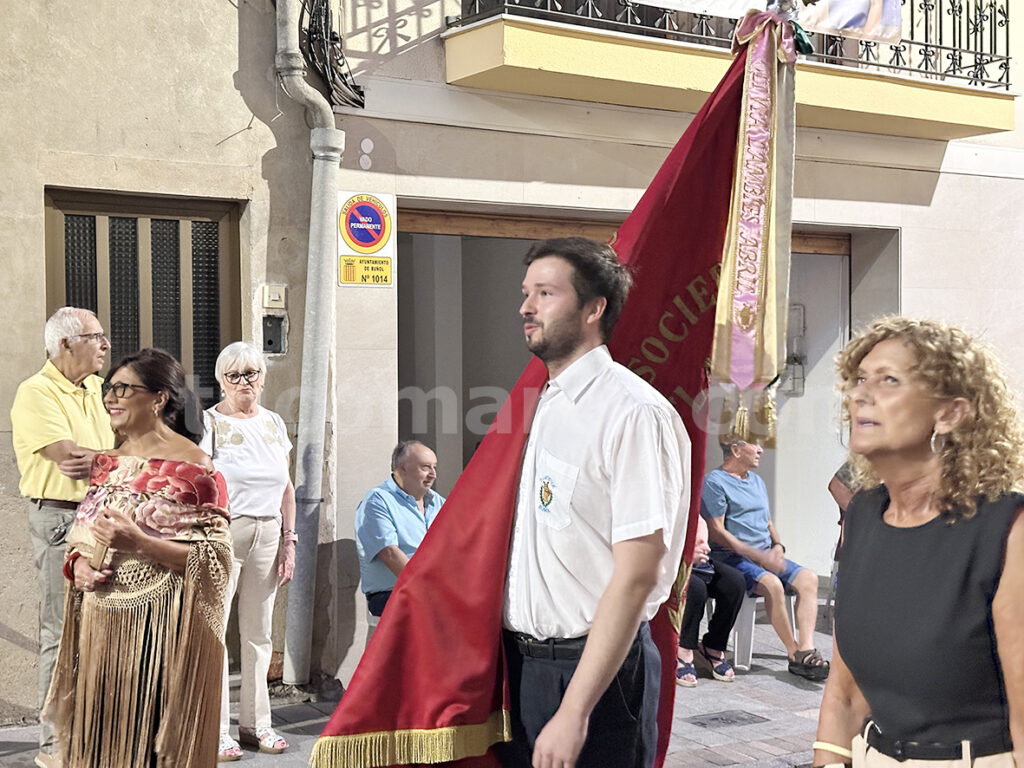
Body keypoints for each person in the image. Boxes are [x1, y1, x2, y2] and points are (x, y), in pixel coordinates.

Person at [498, 237, 690, 768]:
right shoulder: (544, 403)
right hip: (526, 667)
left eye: (545, 293)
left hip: (596, 677)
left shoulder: (632, 413)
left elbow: (637, 574)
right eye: (526, 293)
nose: (526, 307)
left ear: (593, 309)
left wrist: (575, 711)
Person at [814, 317, 1024, 768]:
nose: (861, 395)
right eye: (860, 380)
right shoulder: (864, 514)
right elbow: (844, 694)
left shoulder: (1008, 529)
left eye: (889, 380)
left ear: (949, 414)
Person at [43, 348, 233, 767]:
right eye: (109, 389)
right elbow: (80, 539)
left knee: (148, 745)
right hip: (99, 627)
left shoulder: (195, 469)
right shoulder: (108, 464)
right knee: (98, 741)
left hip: (157, 632)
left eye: (123, 389)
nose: (110, 398)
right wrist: (78, 567)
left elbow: (215, 561)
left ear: (159, 398)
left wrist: (141, 543)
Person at [10, 306, 116, 768]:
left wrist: (108, 460)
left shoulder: (96, 388)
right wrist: (115, 460)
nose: (105, 345)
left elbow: (118, 451)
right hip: (61, 520)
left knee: (103, 629)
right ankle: (54, 744)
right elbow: (69, 457)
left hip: (104, 514)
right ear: (66, 344)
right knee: (62, 629)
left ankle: (93, 736)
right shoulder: (36, 392)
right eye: (95, 336)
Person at [199, 342, 296, 761]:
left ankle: (257, 723)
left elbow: (287, 487)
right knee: (215, 632)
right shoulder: (210, 422)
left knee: (259, 633)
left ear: (263, 377)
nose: (244, 382)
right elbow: (201, 483)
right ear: (221, 381)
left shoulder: (273, 421)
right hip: (226, 531)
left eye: (251, 373)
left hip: (268, 530)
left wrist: (289, 540)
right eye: (234, 375)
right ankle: (217, 729)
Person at [702, 439, 830, 680]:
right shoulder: (714, 482)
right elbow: (717, 531)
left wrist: (777, 545)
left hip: (764, 553)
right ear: (735, 450)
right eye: (754, 444)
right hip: (732, 558)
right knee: (772, 584)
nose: (761, 450)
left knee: (809, 578)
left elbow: (768, 521)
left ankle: (806, 648)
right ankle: (794, 653)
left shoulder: (757, 481)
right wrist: (759, 556)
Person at [354, 440, 444, 619]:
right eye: (425, 467)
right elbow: (389, 553)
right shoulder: (378, 500)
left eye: (434, 467)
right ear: (402, 468)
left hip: (433, 590)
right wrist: (427, 591)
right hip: (393, 593)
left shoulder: (439, 503)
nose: (433, 474)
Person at [676, 516, 745, 687]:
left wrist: (701, 544)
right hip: (670, 560)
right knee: (696, 588)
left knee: (734, 582)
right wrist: (685, 553)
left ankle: (713, 645)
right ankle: (683, 649)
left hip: (696, 561)